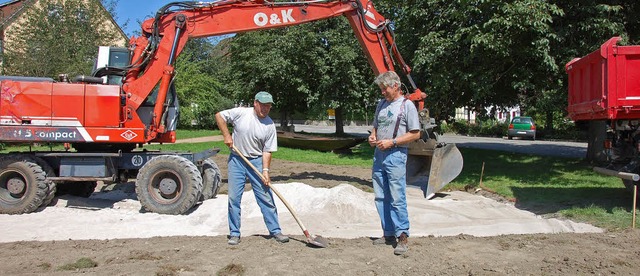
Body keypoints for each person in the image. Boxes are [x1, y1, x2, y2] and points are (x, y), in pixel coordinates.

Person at [215, 91, 289, 246]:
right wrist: (227, 136)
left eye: (268, 106)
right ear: (255, 103)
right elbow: (219, 116)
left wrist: (265, 171)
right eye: (263, 105)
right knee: (234, 198)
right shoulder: (241, 113)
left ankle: (275, 230)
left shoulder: (269, 126)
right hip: (237, 159)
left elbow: (267, 151)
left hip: (256, 161)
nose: (265, 108)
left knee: (265, 197)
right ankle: (235, 233)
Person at [368, 71, 421, 255]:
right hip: (379, 155)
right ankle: (388, 233)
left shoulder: (407, 106)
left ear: (396, 86)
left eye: (385, 89)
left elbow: (416, 133)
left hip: (396, 154)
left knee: (397, 197)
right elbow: (376, 124)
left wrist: (393, 141)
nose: (382, 92)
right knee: (381, 196)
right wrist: (373, 135)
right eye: (381, 89)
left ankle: (402, 236)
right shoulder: (381, 104)